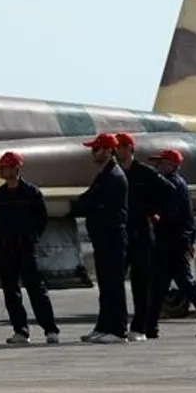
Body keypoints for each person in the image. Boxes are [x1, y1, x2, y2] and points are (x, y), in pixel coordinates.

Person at [143, 150, 196, 338]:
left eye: (161, 162)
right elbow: (188, 217)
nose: (157, 166)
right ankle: (150, 327)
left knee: (186, 284)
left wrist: (151, 214)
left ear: (172, 165)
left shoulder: (171, 185)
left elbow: (169, 214)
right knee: (158, 286)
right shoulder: (178, 183)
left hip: (171, 242)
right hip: (173, 240)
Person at [0, 151, 61, 345]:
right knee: (10, 291)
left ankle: (50, 330)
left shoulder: (31, 193)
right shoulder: (0, 194)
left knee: (36, 289)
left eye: (4, 167)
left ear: (15, 168)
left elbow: (42, 219)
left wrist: (31, 238)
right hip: (6, 248)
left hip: (26, 248)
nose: (1, 170)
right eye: (1, 167)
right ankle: (21, 331)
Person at [113, 132, 177, 341]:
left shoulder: (144, 173)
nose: (117, 150)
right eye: (116, 146)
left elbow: (169, 191)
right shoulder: (115, 173)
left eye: (121, 146)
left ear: (130, 148)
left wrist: (154, 212)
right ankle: (117, 326)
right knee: (115, 282)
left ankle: (139, 328)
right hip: (122, 234)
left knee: (141, 284)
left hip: (141, 233)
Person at [69, 132, 131, 344]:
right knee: (105, 285)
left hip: (112, 236)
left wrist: (81, 205)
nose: (93, 153)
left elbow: (90, 201)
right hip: (103, 238)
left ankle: (119, 330)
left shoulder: (113, 176)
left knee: (114, 285)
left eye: (96, 149)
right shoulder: (105, 175)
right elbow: (87, 200)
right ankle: (104, 326)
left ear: (107, 150)